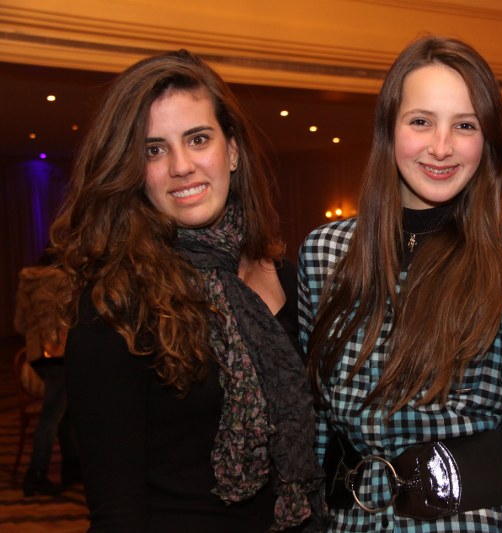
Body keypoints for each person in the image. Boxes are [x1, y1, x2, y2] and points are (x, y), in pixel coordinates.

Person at [298, 36, 502, 531]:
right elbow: (315, 424)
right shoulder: (325, 255)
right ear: (389, 129)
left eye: (465, 125)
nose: (441, 147)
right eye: (421, 121)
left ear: (486, 141)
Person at [48, 49, 324, 531]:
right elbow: (116, 509)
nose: (181, 166)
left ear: (231, 151)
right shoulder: (116, 303)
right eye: (154, 150)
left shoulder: (289, 277)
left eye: (198, 139)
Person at [14, 258, 80, 496]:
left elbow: (19, 324)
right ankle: (36, 473)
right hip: (59, 353)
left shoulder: (27, 282)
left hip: (36, 355)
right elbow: (73, 319)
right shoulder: (64, 280)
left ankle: (71, 467)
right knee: (52, 414)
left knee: (62, 410)